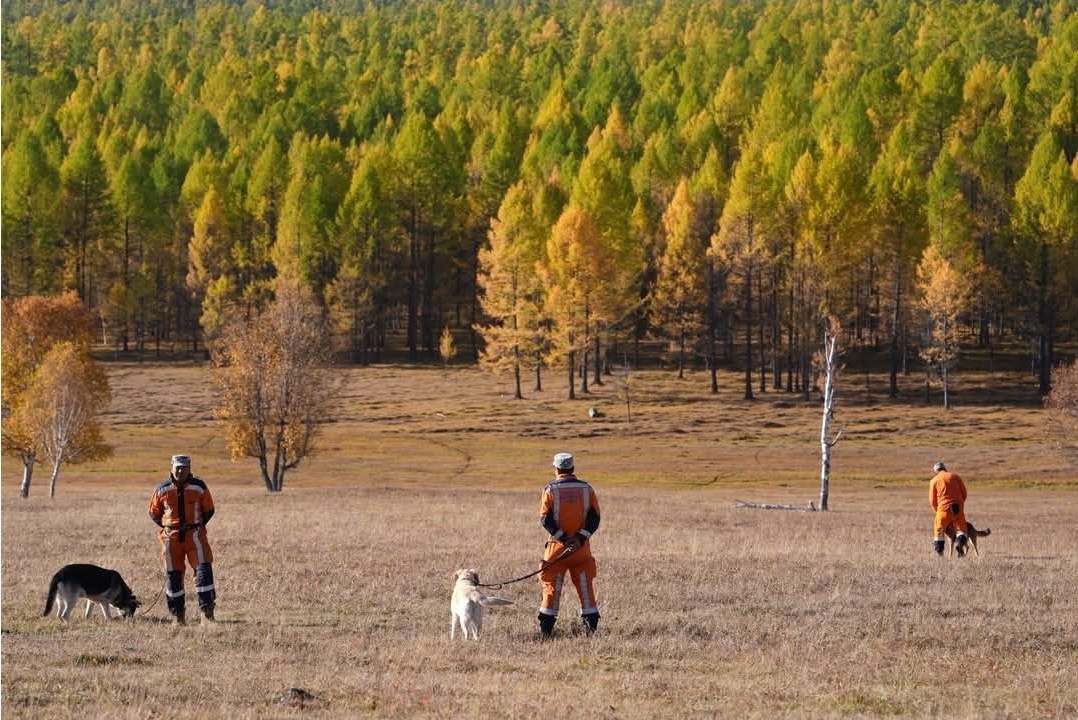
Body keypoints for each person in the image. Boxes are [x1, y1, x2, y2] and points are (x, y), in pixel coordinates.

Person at [536, 452, 601, 638]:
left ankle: (546, 633)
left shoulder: (550, 490)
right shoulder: (587, 489)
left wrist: (564, 539)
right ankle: (590, 632)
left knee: (551, 590)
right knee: (586, 590)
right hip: (581, 551)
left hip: (556, 551)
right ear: (572, 468)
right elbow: (595, 518)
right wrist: (579, 539)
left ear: (556, 469)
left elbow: (545, 518)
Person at [148, 454, 217, 624]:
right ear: (171, 467)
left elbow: (209, 509)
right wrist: (170, 526)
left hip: (195, 537)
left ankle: (207, 615)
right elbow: (154, 512)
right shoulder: (162, 489)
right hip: (171, 539)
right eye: (178, 468)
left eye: (184, 468)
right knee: (173, 577)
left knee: (204, 573)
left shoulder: (199, 487)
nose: (181, 471)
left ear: (189, 469)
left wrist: (195, 525)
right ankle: (177, 616)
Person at [929, 461, 969, 557]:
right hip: (958, 508)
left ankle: (940, 552)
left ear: (936, 471)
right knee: (961, 529)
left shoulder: (934, 480)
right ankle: (960, 543)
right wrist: (960, 504)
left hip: (943, 509)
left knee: (939, 530)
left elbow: (932, 500)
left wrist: (937, 511)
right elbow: (964, 493)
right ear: (945, 468)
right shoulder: (955, 476)